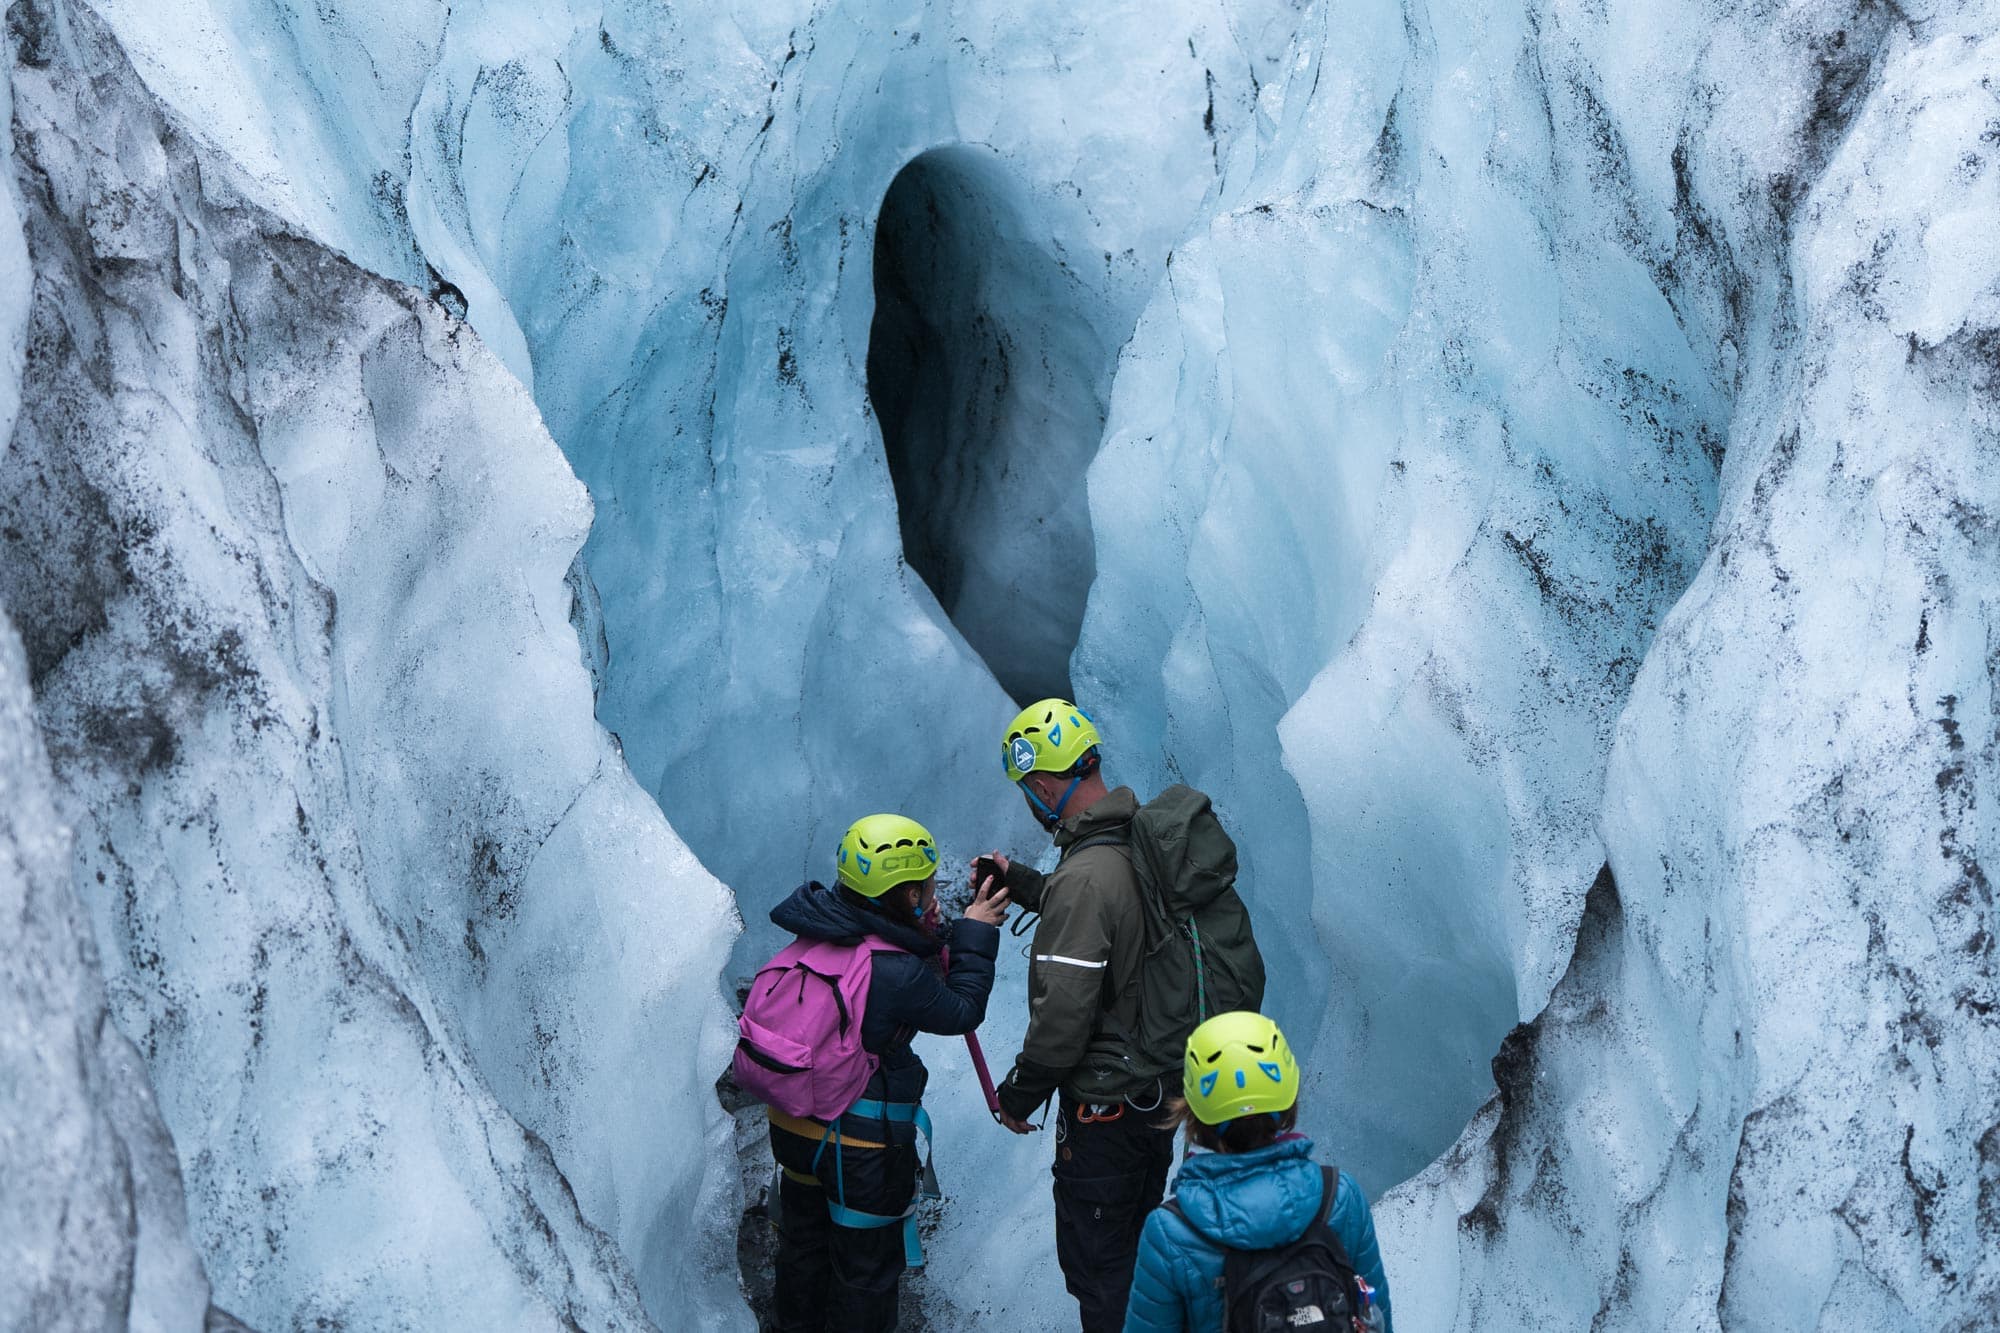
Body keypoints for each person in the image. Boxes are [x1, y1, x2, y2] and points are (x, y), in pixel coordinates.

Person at [976, 699, 1264, 1333]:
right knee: (1137, 1250)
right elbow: (1122, 911)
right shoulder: (1143, 843)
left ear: (1046, 784)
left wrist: (1017, 1099)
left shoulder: (1084, 878)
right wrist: (1023, 882)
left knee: (1101, 1270)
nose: (1030, 798)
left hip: (1106, 1111)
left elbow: (1061, 1023)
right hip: (1161, 1095)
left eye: (1028, 787)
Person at [763, 813, 1010, 1332]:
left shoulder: (819, 928)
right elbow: (961, 1009)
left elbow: (909, 946)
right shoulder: (893, 971)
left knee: (804, 1248)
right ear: (902, 893)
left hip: (792, 1124)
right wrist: (978, 932)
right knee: (866, 1273)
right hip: (858, 1147)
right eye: (922, 884)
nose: (932, 891)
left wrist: (944, 925)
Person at [1124, 1012, 1393, 1332]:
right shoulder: (1339, 1196)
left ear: (1193, 1113)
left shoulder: (1171, 1232)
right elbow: (1375, 1319)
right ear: (1288, 1098)